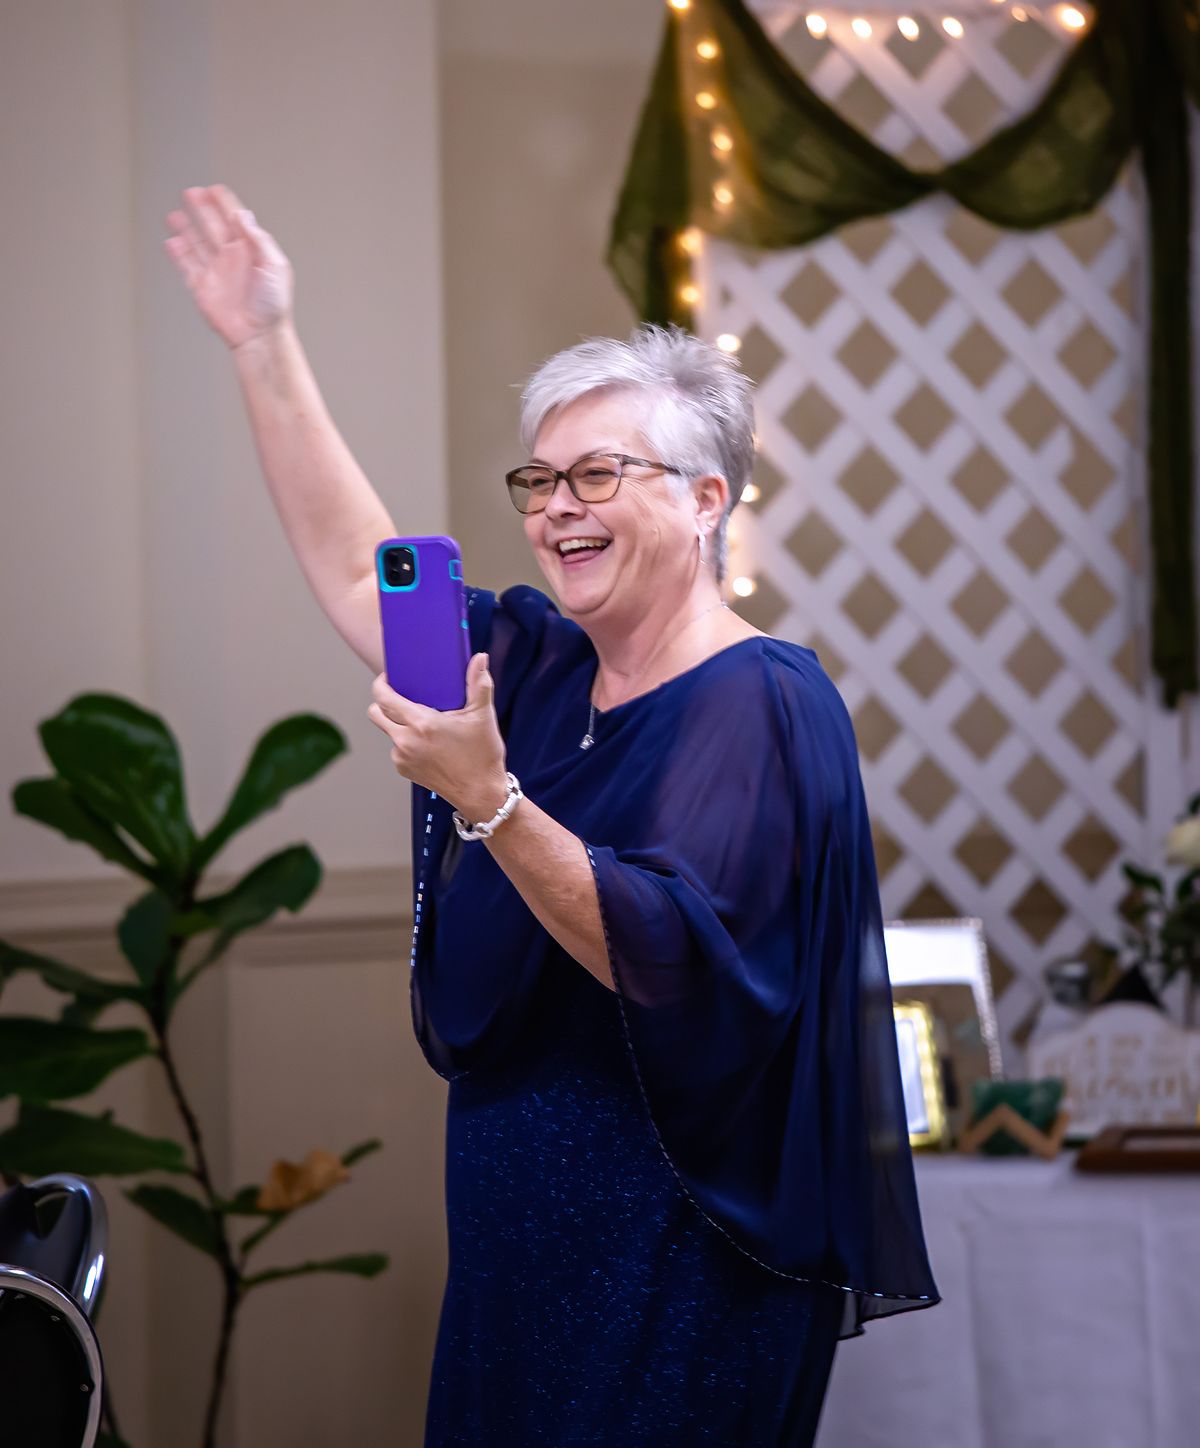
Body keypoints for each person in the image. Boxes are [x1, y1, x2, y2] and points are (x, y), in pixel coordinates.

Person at [164, 184, 940, 1447]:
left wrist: (491, 798)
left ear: (705, 497)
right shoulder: (528, 663)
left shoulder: (766, 701)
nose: (555, 508)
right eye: (539, 478)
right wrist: (263, 341)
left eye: (597, 474)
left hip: (678, 1234)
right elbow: (364, 569)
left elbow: (668, 953)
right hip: (518, 1220)